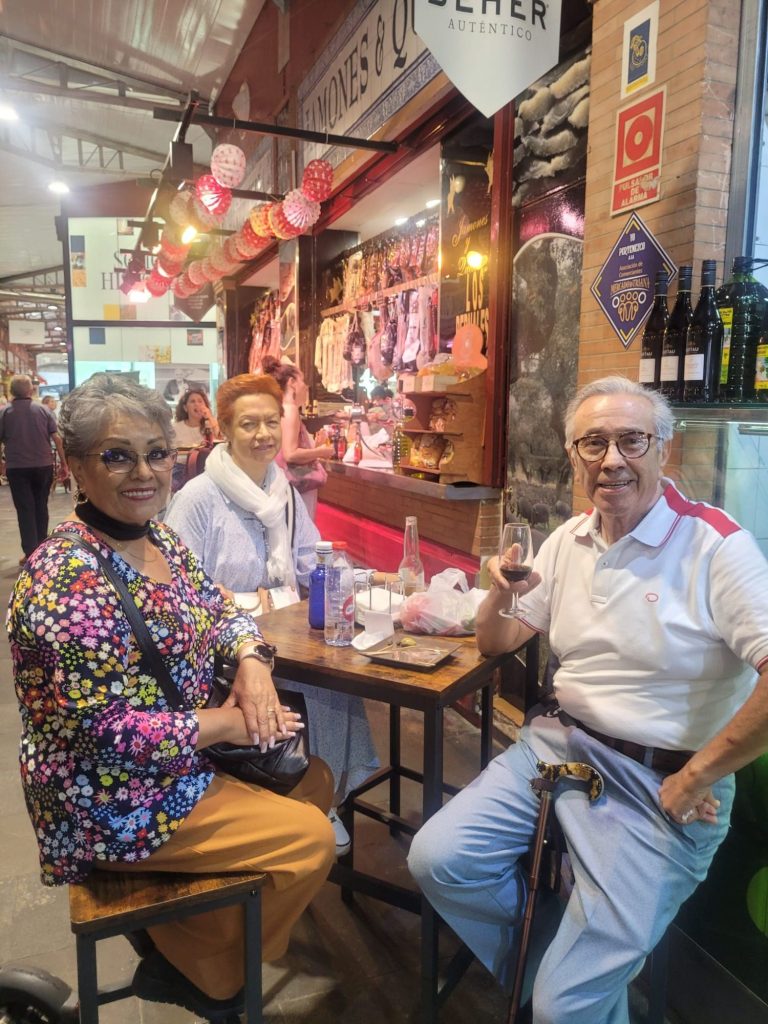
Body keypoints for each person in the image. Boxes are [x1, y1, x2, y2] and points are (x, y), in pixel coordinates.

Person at [408, 375, 768, 1024]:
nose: (612, 459)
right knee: (439, 860)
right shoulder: (568, 538)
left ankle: (564, 987)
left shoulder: (715, 545)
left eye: (631, 440)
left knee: (562, 1007)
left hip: (661, 787)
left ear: (664, 448)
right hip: (559, 755)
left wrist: (699, 775)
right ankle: (552, 964)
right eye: (593, 442)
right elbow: (495, 642)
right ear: (574, 456)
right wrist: (500, 590)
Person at [7, 373, 335, 1020]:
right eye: (117, 455)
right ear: (72, 465)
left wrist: (251, 662)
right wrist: (231, 725)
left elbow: (221, 611)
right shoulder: (63, 579)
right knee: (310, 840)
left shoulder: (157, 540)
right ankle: (209, 977)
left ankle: (189, 944)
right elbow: (106, 734)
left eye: (156, 453)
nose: (144, 473)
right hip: (106, 792)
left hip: (175, 766)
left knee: (316, 781)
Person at [166, 373, 380, 855]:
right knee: (306, 685)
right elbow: (181, 591)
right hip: (225, 651)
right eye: (248, 424)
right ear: (223, 428)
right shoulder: (197, 500)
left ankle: (324, 793)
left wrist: (361, 580)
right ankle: (297, 797)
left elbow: (308, 557)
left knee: (340, 676)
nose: (263, 434)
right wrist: (255, 603)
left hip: (286, 633)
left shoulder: (280, 489)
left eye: (270, 421)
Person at [0, 374, 68, 562]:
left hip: (17, 468)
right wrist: (64, 464)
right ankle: (42, 547)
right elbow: (57, 439)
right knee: (41, 506)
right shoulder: (44, 410)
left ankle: (30, 553)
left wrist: (1, 464)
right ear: (31, 390)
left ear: (12, 391)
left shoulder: (5, 413)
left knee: (25, 509)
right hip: (42, 466)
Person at [261, 356, 333, 520]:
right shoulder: (290, 410)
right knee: (299, 535)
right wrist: (321, 451)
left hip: (282, 487)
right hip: (295, 489)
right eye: (302, 382)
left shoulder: (279, 409)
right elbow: (290, 454)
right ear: (292, 382)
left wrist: (314, 446)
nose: (305, 387)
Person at [171, 387, 220, 492]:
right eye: (192, 401)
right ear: (185, 408)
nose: (197, 404)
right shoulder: (175, 428)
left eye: (200, 401)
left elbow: (221, 439)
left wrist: (210, 417)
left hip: (207, 468)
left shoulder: (210, 425)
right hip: (181, 468)